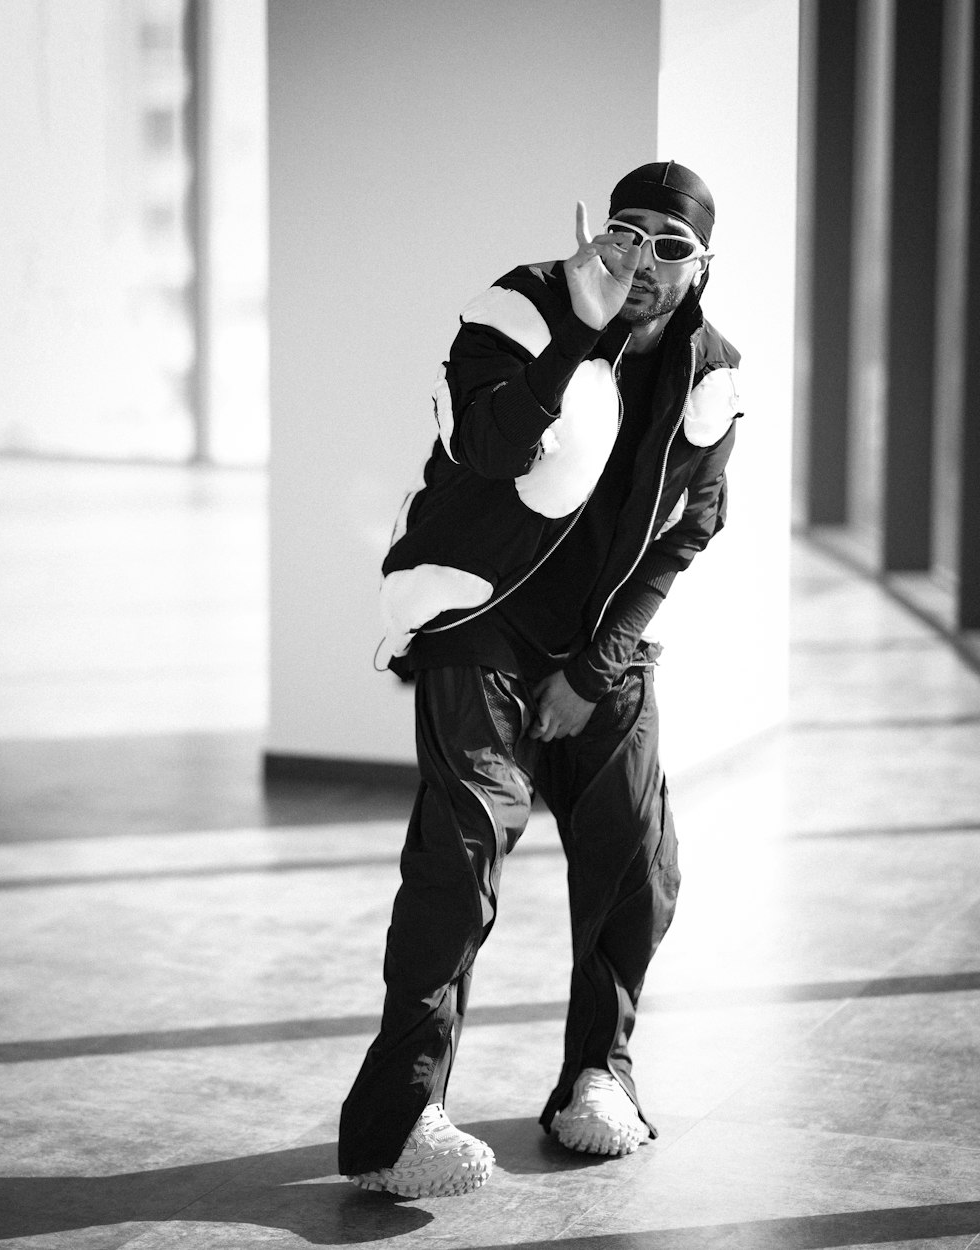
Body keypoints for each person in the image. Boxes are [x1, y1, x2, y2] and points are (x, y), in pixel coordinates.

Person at [339, 161, 742, 1198]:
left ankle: (596, 1073)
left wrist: (592, 668)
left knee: (635, 855)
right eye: (624, 232)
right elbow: (483, 443)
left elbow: (690, 528)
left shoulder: (711, 370)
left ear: (700, 266)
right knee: (459, 850)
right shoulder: (517, 307)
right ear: (595, 234)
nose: (640, 259)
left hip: (595, 643)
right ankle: (399, 1123)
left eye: (668, 243)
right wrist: (579, 327)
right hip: (479, 616)